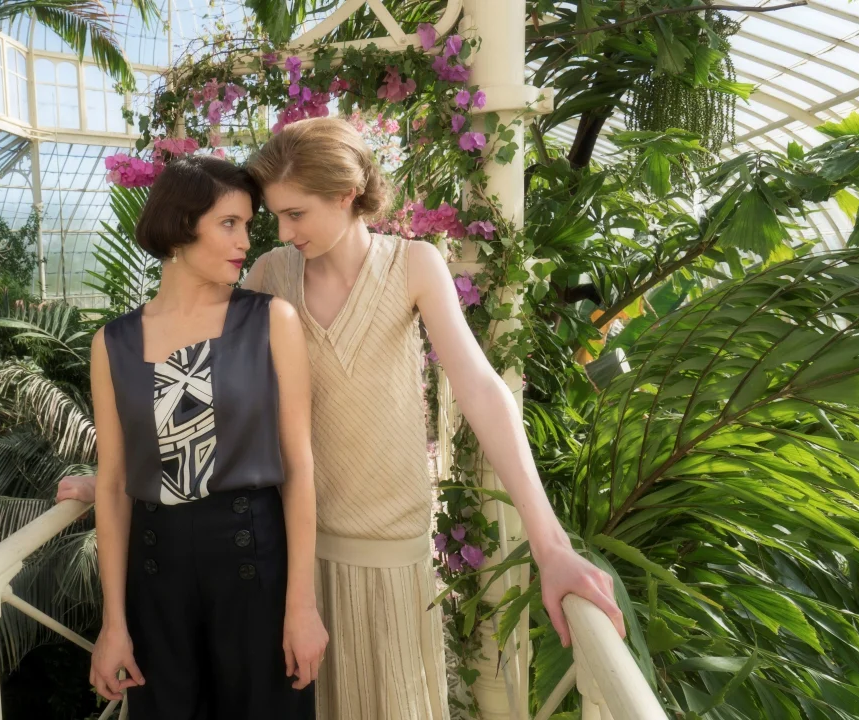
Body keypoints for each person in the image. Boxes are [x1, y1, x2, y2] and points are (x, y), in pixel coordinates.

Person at [65, 118, 623, 720]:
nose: (281, 233)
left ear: (346, 194)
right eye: (272, 217)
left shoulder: (412, 265)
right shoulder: (269, 276)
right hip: (284, 557)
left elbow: (483, 391)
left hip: (386, 554)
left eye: (295, 214)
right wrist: (128, 485)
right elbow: (200, 386)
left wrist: (550, 546)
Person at [86, 154, 328, 720]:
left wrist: (301, 607)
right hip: (155, 581)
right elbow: (114, 484)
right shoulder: (113, 343)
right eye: (228, 223)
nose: (245, 241)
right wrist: (113, 624)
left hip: (255, 567)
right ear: (180, 226)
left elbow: (299, 467)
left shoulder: (270, 321)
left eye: (247, 224)